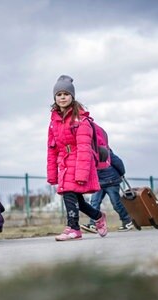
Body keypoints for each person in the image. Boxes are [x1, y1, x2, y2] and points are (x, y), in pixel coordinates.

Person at [47, 75, 108, 241]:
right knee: (77, 200)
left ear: (72, 96)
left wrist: (81, 174)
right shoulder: (54, 122)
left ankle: (73, 228)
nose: (62, 97)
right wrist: (52, 174)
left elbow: (84, 147)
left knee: (68, 193)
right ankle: (98, 216)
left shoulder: (81, 120)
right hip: (64, 162)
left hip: (79, 161)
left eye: (65, 94)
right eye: (58, 94)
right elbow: (52, 148)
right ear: (55, 98)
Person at [80, 149, 135, 232]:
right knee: (94, 202)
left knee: (116, 203)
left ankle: (127, 221)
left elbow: (118, 162)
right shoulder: (88, 153)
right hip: (99, 183)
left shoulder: (104, 150)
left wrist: (121, 173)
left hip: (111, 181)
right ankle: (93, 224)